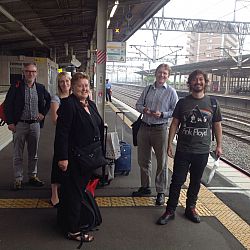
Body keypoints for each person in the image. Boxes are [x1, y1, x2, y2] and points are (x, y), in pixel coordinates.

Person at [157, 69, 223, 225]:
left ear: (205, 82)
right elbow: (174, 123)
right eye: (194, 80)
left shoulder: (213, 103)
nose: (198, 82)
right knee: (177, 181)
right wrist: (169, 144)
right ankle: (170, 210)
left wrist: (219, 145)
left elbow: (217, 125)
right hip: (183, 149)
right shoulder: (183, 102)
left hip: (202, 150)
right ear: (190, 83)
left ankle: (190, 208)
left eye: (201, 79)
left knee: (195, 181)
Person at [54, 72, 105, 242]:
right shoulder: (69, 104)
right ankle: (73, 230)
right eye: (80, 85)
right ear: (73, 88)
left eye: (86, 85)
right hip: (74, 158)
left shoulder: (90, 104)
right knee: (74, 193)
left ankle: (66, 221)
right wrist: (62, 158)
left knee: (76, 191)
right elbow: (62, 133)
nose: (84, 88)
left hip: (88, 157)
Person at [132, 63, 178, 206]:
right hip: (145, 128)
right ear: (155, 74)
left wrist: (163, 114)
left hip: (161, 129)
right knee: (143, 160)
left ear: (168, 76)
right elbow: (138, 105)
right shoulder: (147, 89)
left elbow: (176, 112)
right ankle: (145, 187)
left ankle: (160, 192)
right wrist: (144, 110)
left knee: (162, 162)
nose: (162, 75)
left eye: (165, 73)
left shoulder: (171, 92)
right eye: (160, 72)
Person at [4, 62, 51, 190]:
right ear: (24, 72)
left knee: (33, 153)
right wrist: (10, 122)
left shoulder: (40, 88)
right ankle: (18, 178)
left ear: (36, 73)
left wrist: (43, 113)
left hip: (35, 126)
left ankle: (32, 176)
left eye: (33, 71)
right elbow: (7, 105)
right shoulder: (16, 86)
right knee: (18, 153)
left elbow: (49, 100)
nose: (30, 74)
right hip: (20, 125)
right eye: (28, 71)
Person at [50, 72, 71, 207]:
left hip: (74, 135)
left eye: (67, 81)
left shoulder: (75, 97)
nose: (65, 84)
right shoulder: (56, 99)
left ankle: (67, 189)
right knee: (58, 161)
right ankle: (54, 193)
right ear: (58, 84)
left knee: (71, 161)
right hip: (62, 134)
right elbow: (55, 120)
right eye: (62, 82)